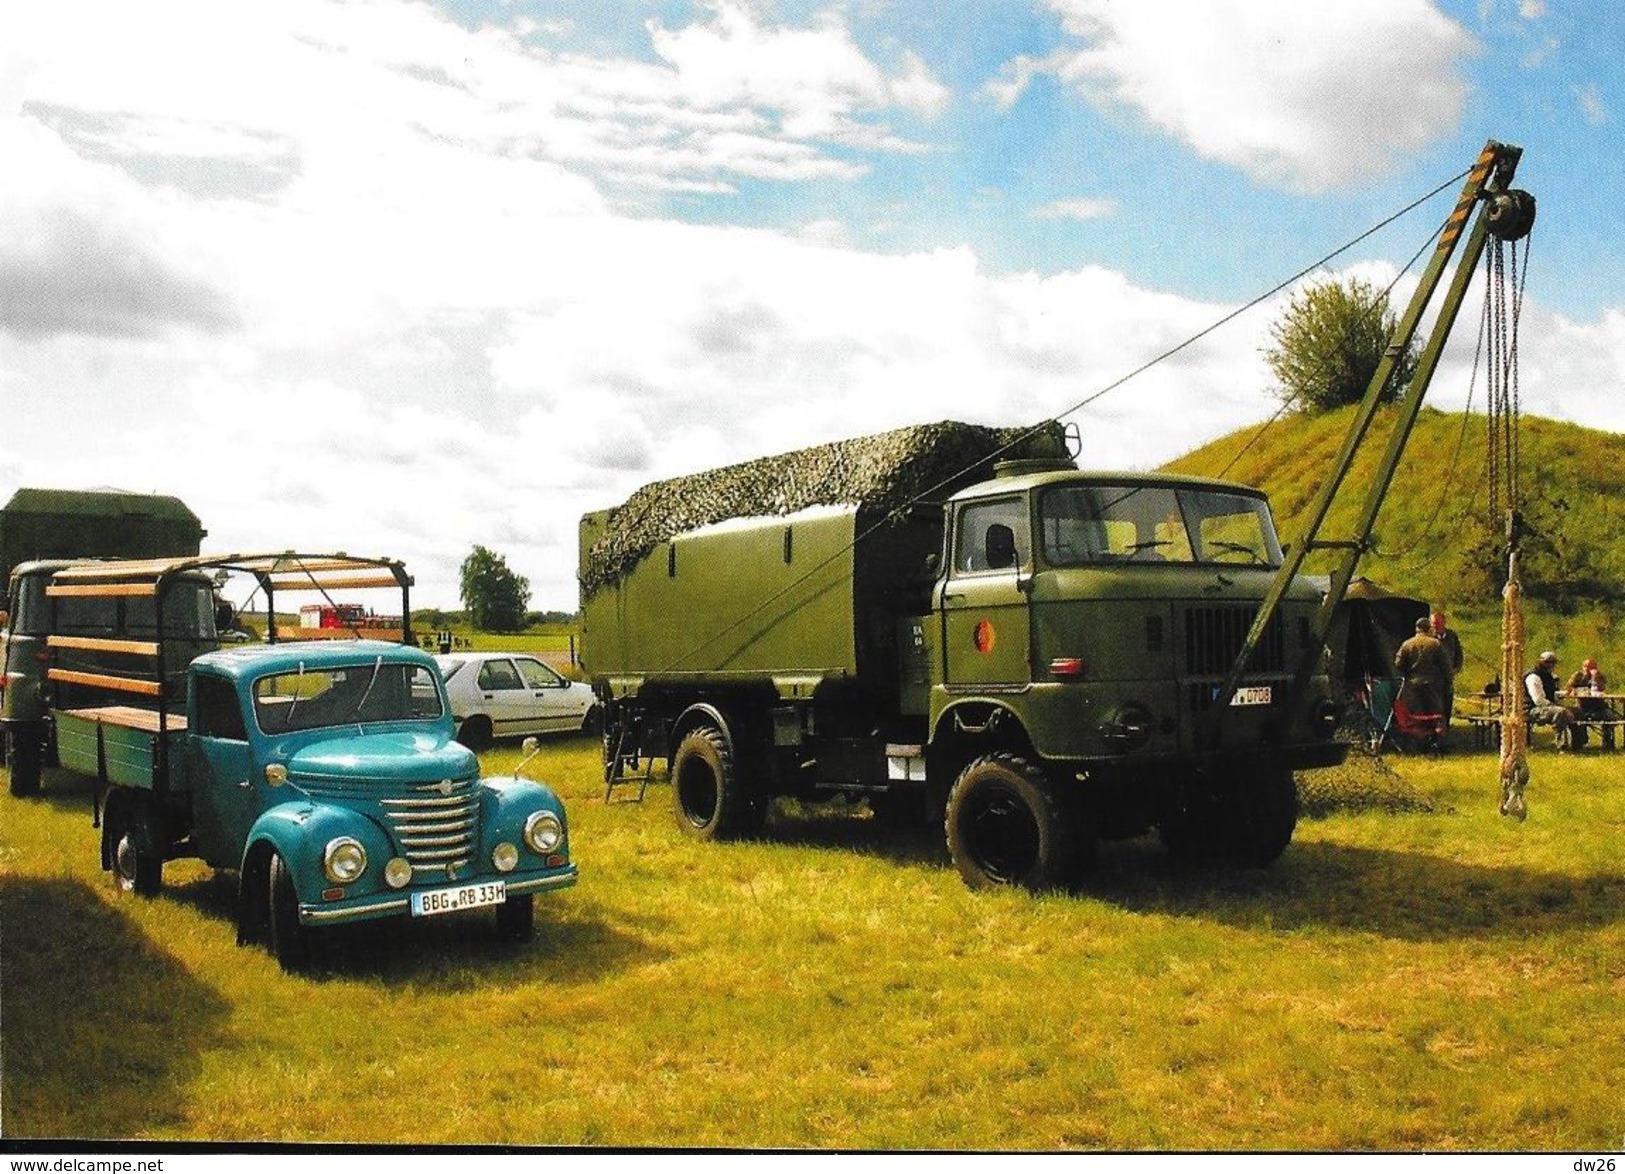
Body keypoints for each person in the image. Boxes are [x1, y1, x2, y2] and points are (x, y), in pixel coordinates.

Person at [1393, 616, 1451, 745]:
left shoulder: (1407, 644)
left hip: (1412, 685)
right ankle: (1435, 743)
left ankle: (1417, 743)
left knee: (1415, 715)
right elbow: (1446, 667)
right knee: (1435, 715)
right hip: (1433, 685)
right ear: (1429, 628)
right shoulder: (1436, 644)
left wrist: (1408, 671)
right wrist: (1448, 683)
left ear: (1416, 629)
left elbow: (1398, 664)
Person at [1525, 650, 1581, 750]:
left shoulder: (1549, 676)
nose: (1550, 665)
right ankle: (1562, 746)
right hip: (1533, 709)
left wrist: (1565, 693)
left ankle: (1579, 743)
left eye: (1552, 662)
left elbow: (1551, 693)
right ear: (1541, 662)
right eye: (1547, 662)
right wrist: (1556, 706)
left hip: (1547, 707)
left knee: (1578, 711)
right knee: (1561, 712)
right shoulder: (1533, 677)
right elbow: (1538, 700)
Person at [1430, 610, 1464, 729]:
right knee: (1435, 706)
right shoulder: (1429, 638)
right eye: (1433, 623)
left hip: (1448, 678)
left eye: (1437, 623)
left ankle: (1446, 729)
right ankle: (1435, 733)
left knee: (1447, 704)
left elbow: (1459, 655)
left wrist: (1456, 669)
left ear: (1443, 622)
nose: (1435, 626)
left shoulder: (1451, 636)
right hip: (1433, 680)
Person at [1567, 657, 1612, 748]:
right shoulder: (1578, 675)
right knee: (1578, 716)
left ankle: (1608, 742)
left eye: (1591, 667)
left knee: (1609, 716)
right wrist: (1575, 690)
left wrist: (1595, 678)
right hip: (1583, 707)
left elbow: (1602, 688)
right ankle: (1581, 742)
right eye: (1585, 666)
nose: (1587, 669)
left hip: (1599, 706)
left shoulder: (1600, 676)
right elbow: (1569, 687)